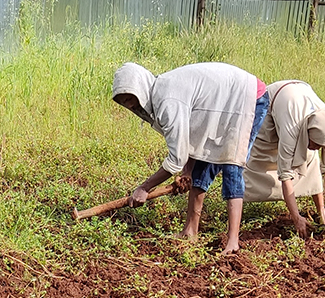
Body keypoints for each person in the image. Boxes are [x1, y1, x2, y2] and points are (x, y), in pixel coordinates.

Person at [112, 61, 270, 254]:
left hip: (247, 98)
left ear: (142, 88)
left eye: (131, 98)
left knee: (231, 165)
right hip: (220, 105)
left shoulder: (168, 102)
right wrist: (187, 171)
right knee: (200, 166)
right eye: (125, 102)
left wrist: (145, 188)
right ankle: (190, 231)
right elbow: (190, 138)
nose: (131, 105)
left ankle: (233, 241)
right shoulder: (162, 93)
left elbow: (175, 159)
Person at [243, 80, 325, 238]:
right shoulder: (293, 126)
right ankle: (237, 210)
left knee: (311, 157)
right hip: (274, 104)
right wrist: (296, 217)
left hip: (297, 100)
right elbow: (285, 174)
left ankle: (321, 210)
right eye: (314, 143)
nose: (316, 147)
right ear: (307, 132)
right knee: (261, 157)